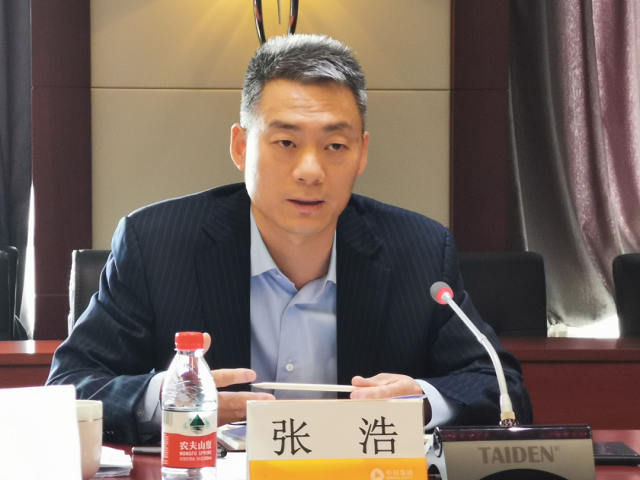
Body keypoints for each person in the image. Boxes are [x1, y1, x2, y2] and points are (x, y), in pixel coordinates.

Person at [47, 34, 532, 445]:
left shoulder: (419, 251)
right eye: (286, 143)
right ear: (241, 147)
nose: (310, 170)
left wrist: (420, 403)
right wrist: (175, 398)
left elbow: (502, 388)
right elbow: (70, 387)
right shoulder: (156, 245)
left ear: (362, 154)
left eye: (335, 145)